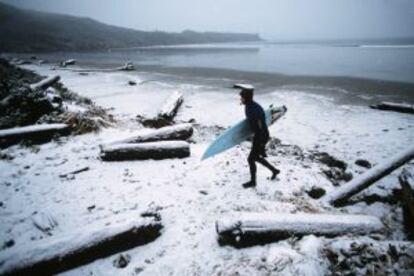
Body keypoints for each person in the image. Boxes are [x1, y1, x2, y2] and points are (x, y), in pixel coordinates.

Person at [236, 84, 280, 188]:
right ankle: (274, 170)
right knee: (256, 157)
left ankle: (253, 182)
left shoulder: (253, 110)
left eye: (241, 97)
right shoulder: (250, 106)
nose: (240, 99)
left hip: (261, 135)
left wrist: (260, 144)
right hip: (259, 134)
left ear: (246, 98)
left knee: (251, 159)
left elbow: (260, 126)